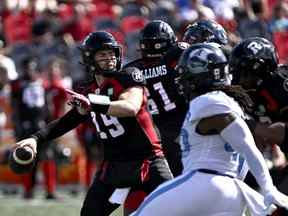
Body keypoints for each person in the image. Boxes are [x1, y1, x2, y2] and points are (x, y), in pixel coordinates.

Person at [14, 31, 173, 216]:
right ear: (90, 58)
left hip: (148, 161)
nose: (110, 59)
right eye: (103, 55)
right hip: (114, 167)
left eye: (112, 54)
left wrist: (93, 103)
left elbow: (130, 106)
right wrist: (35, 139)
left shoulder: (128, 75)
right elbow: (68, 121)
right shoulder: (89, 89)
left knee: (178, 209)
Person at [130, 43, 288, 216]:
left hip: (205, 181)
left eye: (185, 74)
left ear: (199, 76)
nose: (180, 80)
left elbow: (247, 147)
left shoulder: (207, 102)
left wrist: (268, 189)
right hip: (229, 189)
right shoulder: (228, 102)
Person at [123, 20, 188, 214]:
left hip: (147, 136)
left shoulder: (131, 70)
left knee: (140, 187)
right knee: (181, 188)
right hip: (178, 133)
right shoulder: (176, 58)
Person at [229, 37, 288, 154]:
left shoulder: (280, 83)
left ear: (258, 69)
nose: (237, 79)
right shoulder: (248, 93)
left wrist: (250, 125)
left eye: (243, 72)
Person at [10, 56, 57, 199]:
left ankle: (50, 191)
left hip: (41, 125)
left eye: (33, 68)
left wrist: (51, 124)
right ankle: (28, 190)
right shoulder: (17, 85)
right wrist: (17, 127)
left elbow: (48, 104)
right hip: (26, 125)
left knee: (48, 156)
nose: (31, 71)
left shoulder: (42, 83)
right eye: (28, 68)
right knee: (26, 157)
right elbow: (15, 107)